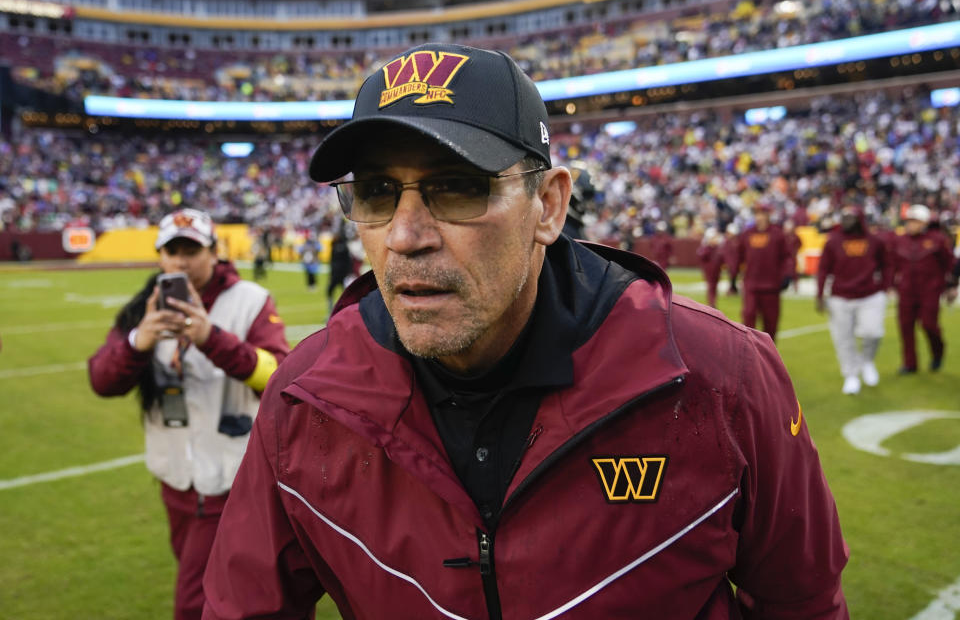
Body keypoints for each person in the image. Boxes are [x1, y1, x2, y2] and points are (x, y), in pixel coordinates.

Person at [202, 43, 848, 620]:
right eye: (375, 192)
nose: (404, 236)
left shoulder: (721, 376)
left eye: (456, 187)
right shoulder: (304, 400)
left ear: (548, 205)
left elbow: (803, 602)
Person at [87, 208, 290, 620]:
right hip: (176, 481)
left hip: (231, 481)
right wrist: (136, 342)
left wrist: (210, 338)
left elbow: (279, 378)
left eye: (192, 249)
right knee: (210, 588)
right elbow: (102, 380)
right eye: (172, 250)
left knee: (196, 604)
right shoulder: (143, 309)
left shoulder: (249, 300)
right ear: (160, 257)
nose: (181, 261)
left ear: (214, 251)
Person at [816, 205, 890, 395]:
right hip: (840, 296)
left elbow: (887, 264)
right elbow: (823, 268)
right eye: (845, 217)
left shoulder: (874, 241)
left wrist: (884, 286)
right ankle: (851, 375)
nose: (848, 221)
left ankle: (867, 361)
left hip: (870, 295)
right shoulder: (833, 240)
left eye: (852, 217)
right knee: (843, 338)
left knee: (873, 332)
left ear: (860, 219)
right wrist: (819, 294)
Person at [891, 204, 956, 373]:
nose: (911, 224)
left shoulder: (937, 239)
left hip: (930, 290)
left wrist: (952, 286)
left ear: (924, 222)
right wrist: (891, 284)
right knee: (905, 327)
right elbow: (893, 265)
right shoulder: (900, 240)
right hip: (906, 290)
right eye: (909, 220)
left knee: (929, 325)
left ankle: (937, 353)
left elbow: (950, 264)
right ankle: (910, 363)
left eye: (915, 221)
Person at [735, 203, 793, 341]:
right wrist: (733, 276)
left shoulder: (777, 234)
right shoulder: (747, 234)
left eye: (762, 214)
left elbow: (787, 257)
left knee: (771, 324)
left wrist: (787, 275)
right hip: (751, 285)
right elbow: (739, 256)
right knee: (748, 319)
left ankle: (769, 357)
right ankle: (749, 354)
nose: (759, 217)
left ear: (768, 216)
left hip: (771, 286)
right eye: (757, 214)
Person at [697, 226, 724, 308]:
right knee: (711, 287)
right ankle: (712, 303)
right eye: (713, 238)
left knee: (715, 287)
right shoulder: (706, 248)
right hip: (710, 271)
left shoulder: (718, 248)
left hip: (717, 271)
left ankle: (713, 302)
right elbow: (701, 257)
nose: (715, 239)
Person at [722, 223, 740, 295]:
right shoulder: (727, 242)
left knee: (734, 276)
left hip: (735, 262)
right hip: (730, 262)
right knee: (731, 275)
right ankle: (733, 288)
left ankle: (733, 289)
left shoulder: (737, 242)